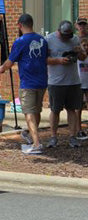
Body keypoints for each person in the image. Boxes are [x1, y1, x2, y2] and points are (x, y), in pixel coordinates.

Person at [0, 14, 48, 154]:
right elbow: (46, 58)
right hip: (42, 81)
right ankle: (33, 138)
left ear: (20, 25)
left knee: (28, 113)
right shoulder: (42, 39)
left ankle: (37, 144)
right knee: (36, 111)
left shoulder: (20, 41)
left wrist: (2, 68)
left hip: (28, 82)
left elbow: (10, 61)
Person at [45, 20, 87, 148]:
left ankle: (73, 137)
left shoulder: (74, 39)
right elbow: (44, 59)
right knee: (55, 110)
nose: (67, 38)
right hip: (56, 82)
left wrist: (79, 51)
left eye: (69, 35)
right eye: (65, 36)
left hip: (73, 81)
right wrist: (58, 60)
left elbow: (83, 58)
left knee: (72, 109)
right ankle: (53, 137)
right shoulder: (49, 39)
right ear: (59, 31)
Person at [75, 18, 88, 139]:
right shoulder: (74, 41)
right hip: (78, 79)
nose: (82, 27)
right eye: (80, 25)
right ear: (76, 26)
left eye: (84, 25)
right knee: (78, 106)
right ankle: (79, 130)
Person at [78, 38, 88, 138]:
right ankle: (79, 129)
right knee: (78, 108)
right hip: (79, 84)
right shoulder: (79, 57)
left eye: (87, 45)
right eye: (83, 45)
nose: (85, 47)